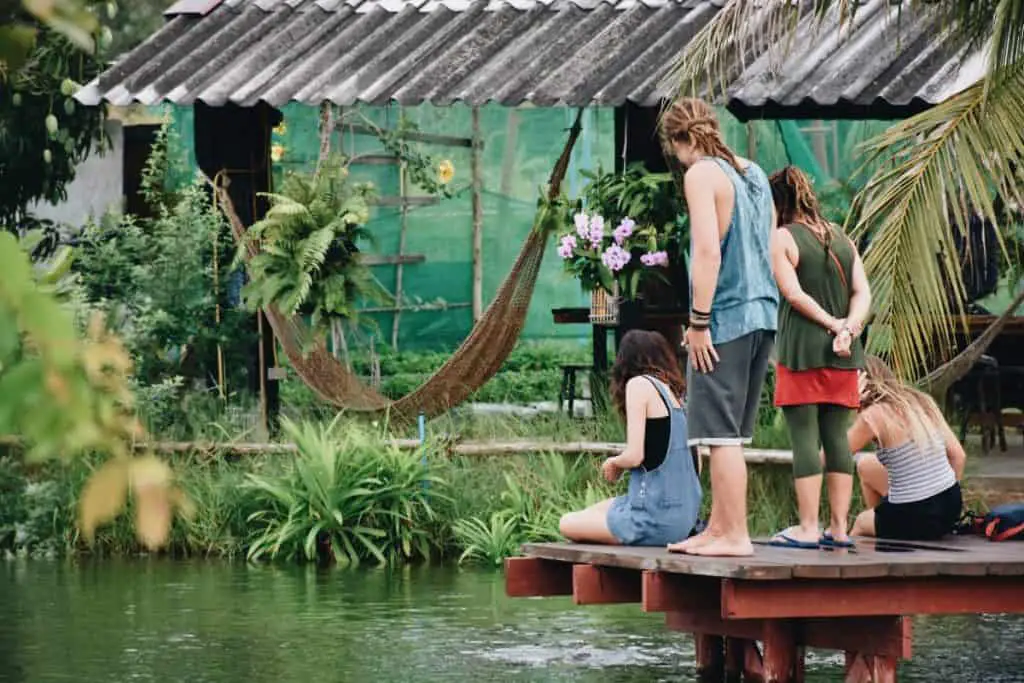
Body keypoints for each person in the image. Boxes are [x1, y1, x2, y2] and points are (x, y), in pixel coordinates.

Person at [659, 98, 778, 557]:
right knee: (732, 432)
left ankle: (734, 535)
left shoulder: (701, 174)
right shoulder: (751, 171)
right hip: (762, 313)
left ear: (679, 141)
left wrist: (699, 323)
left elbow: (708, 252)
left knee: (720, 434)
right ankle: (717, 528)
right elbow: (767, 242)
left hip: (725, 316)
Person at [766, 166, 871, 549]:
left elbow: (792, 294)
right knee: (837, 438)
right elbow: (862, 292)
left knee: (805, 439)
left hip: (801, 350)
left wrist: (830, 324)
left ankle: (808, 527)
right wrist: (848, 328)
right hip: (844, 352)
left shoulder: (782, 237)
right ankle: (839, 528)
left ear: (778, 202)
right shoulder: (841, 236)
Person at [559, 330, 701, 546]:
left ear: (624, 361)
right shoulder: (679, 396)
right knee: (599, 509)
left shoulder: (639, 384)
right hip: (685, 518)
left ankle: (625, 534)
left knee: (567, 522)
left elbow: (635, 456)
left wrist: (614, 462)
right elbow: (697, 465)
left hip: (654, 522)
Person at [849, 356, 966, 540]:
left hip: (918, 514)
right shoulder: (921, 400)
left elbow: (831, 455)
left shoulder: (872, 417)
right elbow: (958, 456)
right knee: (866, 466)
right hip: (951, 506)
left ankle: (871, 561)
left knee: (861, 523)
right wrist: (943, 499)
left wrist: (845, 406)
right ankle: (885, 525)